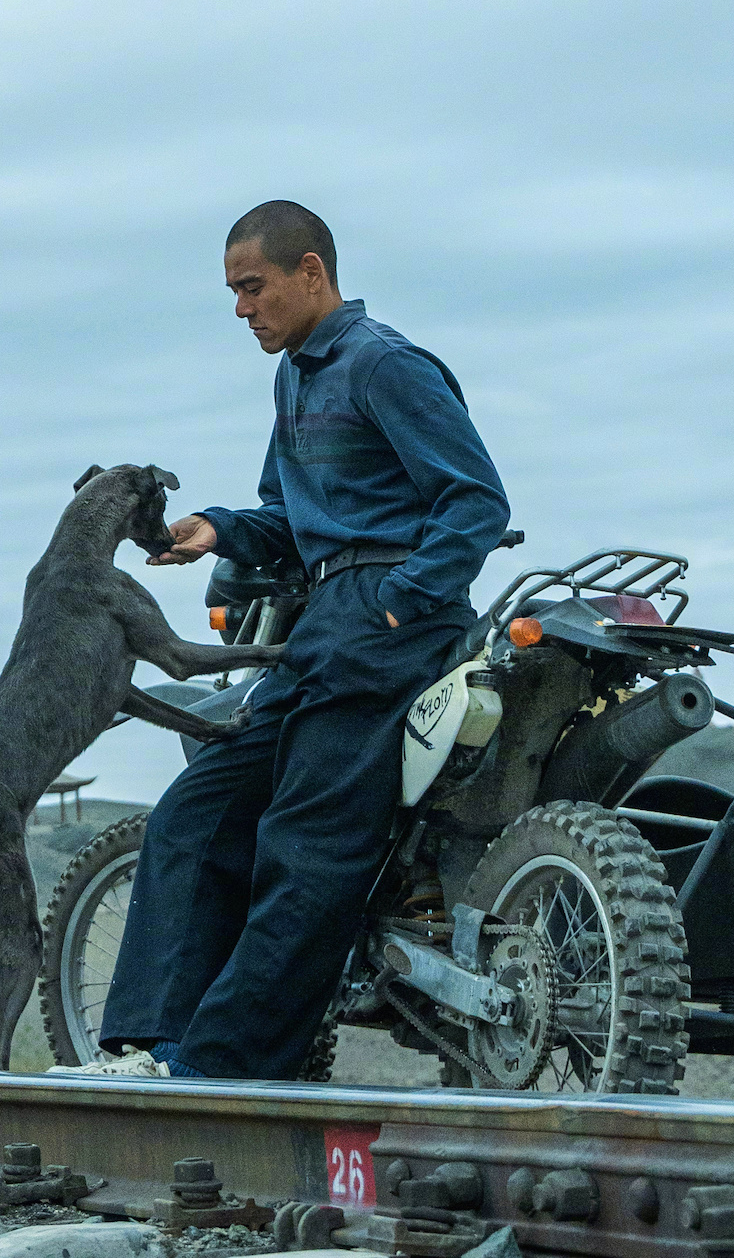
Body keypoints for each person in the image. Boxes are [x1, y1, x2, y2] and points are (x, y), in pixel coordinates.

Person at [93, 201, 510, 1080]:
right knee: (195, 810)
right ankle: (148, 1047)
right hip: (317, 622)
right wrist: (219, 529)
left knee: (305, 839)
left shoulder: (383, 365)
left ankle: (223, 1068)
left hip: (388, 622)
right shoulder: (295, 377)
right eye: (233, 292)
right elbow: (285, 517)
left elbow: (476, 500)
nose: (241, 309)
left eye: (253, 287)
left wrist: (403, 600)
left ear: (311, 273)